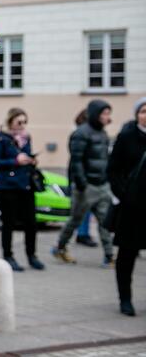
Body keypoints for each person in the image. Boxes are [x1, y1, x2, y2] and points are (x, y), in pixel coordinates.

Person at [52, 99, 115, 267]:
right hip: (85, 187)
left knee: (105, 221)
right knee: (75, 220)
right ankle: (59, 247)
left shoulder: (102, 133)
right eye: (104, 113)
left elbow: (105, 159)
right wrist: (82, 184)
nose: (107, 117)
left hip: (102, 185)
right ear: (95, 114)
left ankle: (109, 256)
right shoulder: (81, 133)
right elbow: (76, 161)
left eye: (109, 113)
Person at [0, 108, 45, 272]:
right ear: (10, 120)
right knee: (9, 224)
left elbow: (26, 156)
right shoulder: (0, 138)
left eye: (24, 122)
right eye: (19, 122)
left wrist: (31, 160)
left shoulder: (26, 137)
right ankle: (8, 256)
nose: (22, 125)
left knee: (31, 223)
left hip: (26, 186)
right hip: (7, 187)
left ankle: (32, 255)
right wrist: (15, 160)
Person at [107, 97, 146, 316]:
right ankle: (125, 298)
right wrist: (124, 194)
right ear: (136, 114)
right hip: (132, 208)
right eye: (143, 111)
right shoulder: (126, 137)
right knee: (127, 255)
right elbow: (112, 170)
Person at [73, 109, 98, 247]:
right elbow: (77, 160)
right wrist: (81, 181)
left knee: (87, 210)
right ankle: (80, 235)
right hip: (83, 179)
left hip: (91, 178)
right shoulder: (80, 135)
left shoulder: (94, 134)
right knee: (82, 210)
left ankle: (83, 234)